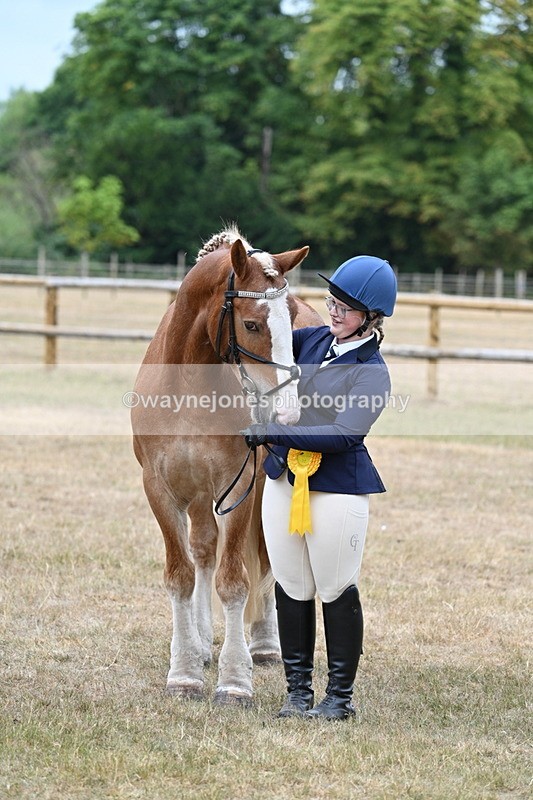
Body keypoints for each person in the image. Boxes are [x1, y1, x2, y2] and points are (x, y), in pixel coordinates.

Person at [241, 255, 397, 720]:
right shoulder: (309, 343)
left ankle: (340, 698)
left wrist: (272, 433)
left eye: (345, 308)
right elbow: (267, 324)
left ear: (371, 319)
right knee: (291, 584)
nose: (333, 313)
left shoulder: (373, 372)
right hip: (284, 481)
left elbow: (344, 434)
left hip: (337, 490)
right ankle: (297, 692)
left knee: (335, 587)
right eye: (331, 302)